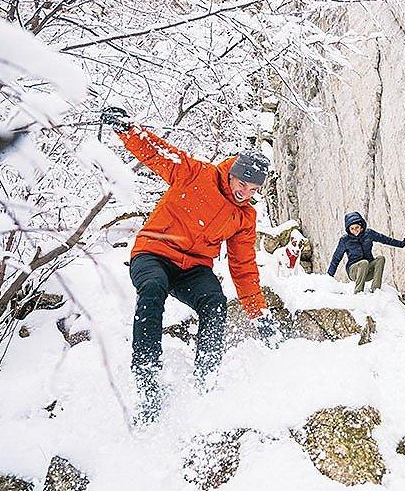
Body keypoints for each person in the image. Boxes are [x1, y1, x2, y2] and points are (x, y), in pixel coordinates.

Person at [102, 107, 275, 423]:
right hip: (153, 253)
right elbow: (156, 153)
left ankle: (205, 380)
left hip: (192, 269)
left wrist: (258, 313)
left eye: (253, 190)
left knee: (215, 302)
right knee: (152, 288)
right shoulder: (196, 173)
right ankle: (147, 379)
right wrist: (126, 128)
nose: (245, 194)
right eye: (243, 184)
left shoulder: (244, 216)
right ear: (233, 171)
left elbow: (243, 265)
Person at [327, 212, 405, 293]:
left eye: (357, 227)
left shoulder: (368, 234)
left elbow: (385, 239)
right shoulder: (345, 240)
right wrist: (329, 277)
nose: (355, 230)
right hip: (354, 271)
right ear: (348, 229)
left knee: (380, 259)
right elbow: (336, 258)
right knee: (363, 263)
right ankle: (358, 292)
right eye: (352, 229)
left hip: (368, 270)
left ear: (361, 226)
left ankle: (376, 290)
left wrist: (401, 244)